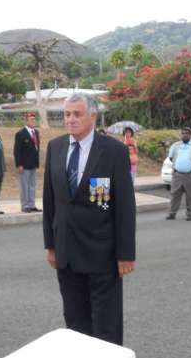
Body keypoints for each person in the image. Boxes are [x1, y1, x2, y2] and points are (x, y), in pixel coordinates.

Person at [43, 93, 136, 345]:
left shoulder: (113, 151)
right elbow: (50, 202)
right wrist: (50, 245)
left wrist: (125, 253)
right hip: (67, 253)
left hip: (102, 255)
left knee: (105, 325)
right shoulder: (56, 147)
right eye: (66, 114)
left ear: (92, 116)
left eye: (77, 114)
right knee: (75, 324)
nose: (70, 120)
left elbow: (125, 206)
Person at [166, 127, 191, 221]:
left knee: (190, 196)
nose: (184, 135)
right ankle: (172, 213)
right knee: (175, 195)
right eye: (183, 133)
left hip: (190, 175)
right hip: (177, 175)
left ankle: (190, 214)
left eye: (187, 133)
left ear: (190, 135)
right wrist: (180, 165)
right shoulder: (175, 145)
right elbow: (171, 158)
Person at [14, 112, 41, 213]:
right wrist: (19, 164)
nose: (33, 121)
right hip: (24, 165)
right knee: (24, 186)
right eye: (31, 119)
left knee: (32, 185)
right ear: (26, 120)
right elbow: (17, 150)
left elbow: (36, 148)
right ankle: (25, 205)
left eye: (34, 119)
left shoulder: (36, 132)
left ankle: (32, 204)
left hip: (33, 164)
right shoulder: (20, 134)